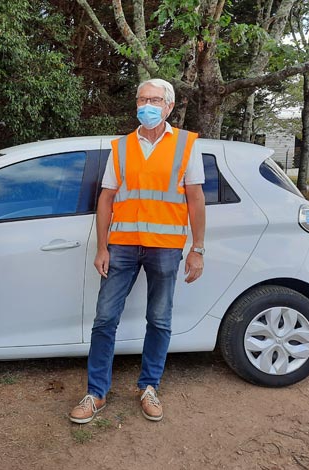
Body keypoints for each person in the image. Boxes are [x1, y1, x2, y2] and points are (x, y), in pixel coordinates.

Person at [69, 78, 205, 424]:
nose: (148, 104)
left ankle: (149, 387)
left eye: (156, 99)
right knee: (105, 319)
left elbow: (196, 199)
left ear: (169, 107)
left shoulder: (186, 145)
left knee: (159, 320)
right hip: (123, 246)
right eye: (143, 98)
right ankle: (96, 393)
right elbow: (106, 198)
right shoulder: (122, 146)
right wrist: (102, 247)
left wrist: (197, 248)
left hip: (166, 247)